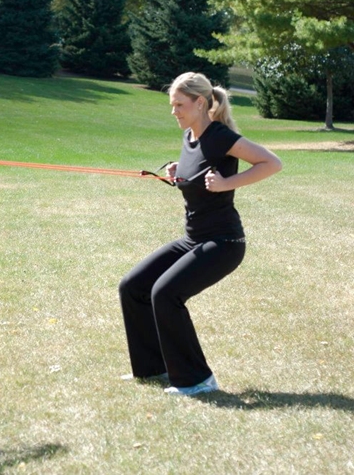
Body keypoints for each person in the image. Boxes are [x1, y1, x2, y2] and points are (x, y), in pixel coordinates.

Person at [118, 72, 282, 396]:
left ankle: (197, 380)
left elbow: (271, 163)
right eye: (172, 105)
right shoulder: (190, 137)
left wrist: (226, 184)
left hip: (223, 243)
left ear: (200, 102)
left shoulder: (220, 135)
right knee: (133, 286)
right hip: (194, 238)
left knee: (165, 294)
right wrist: (178, 174)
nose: (174, 111)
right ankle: (155, 369)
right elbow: (198, 175)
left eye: (179, 104)